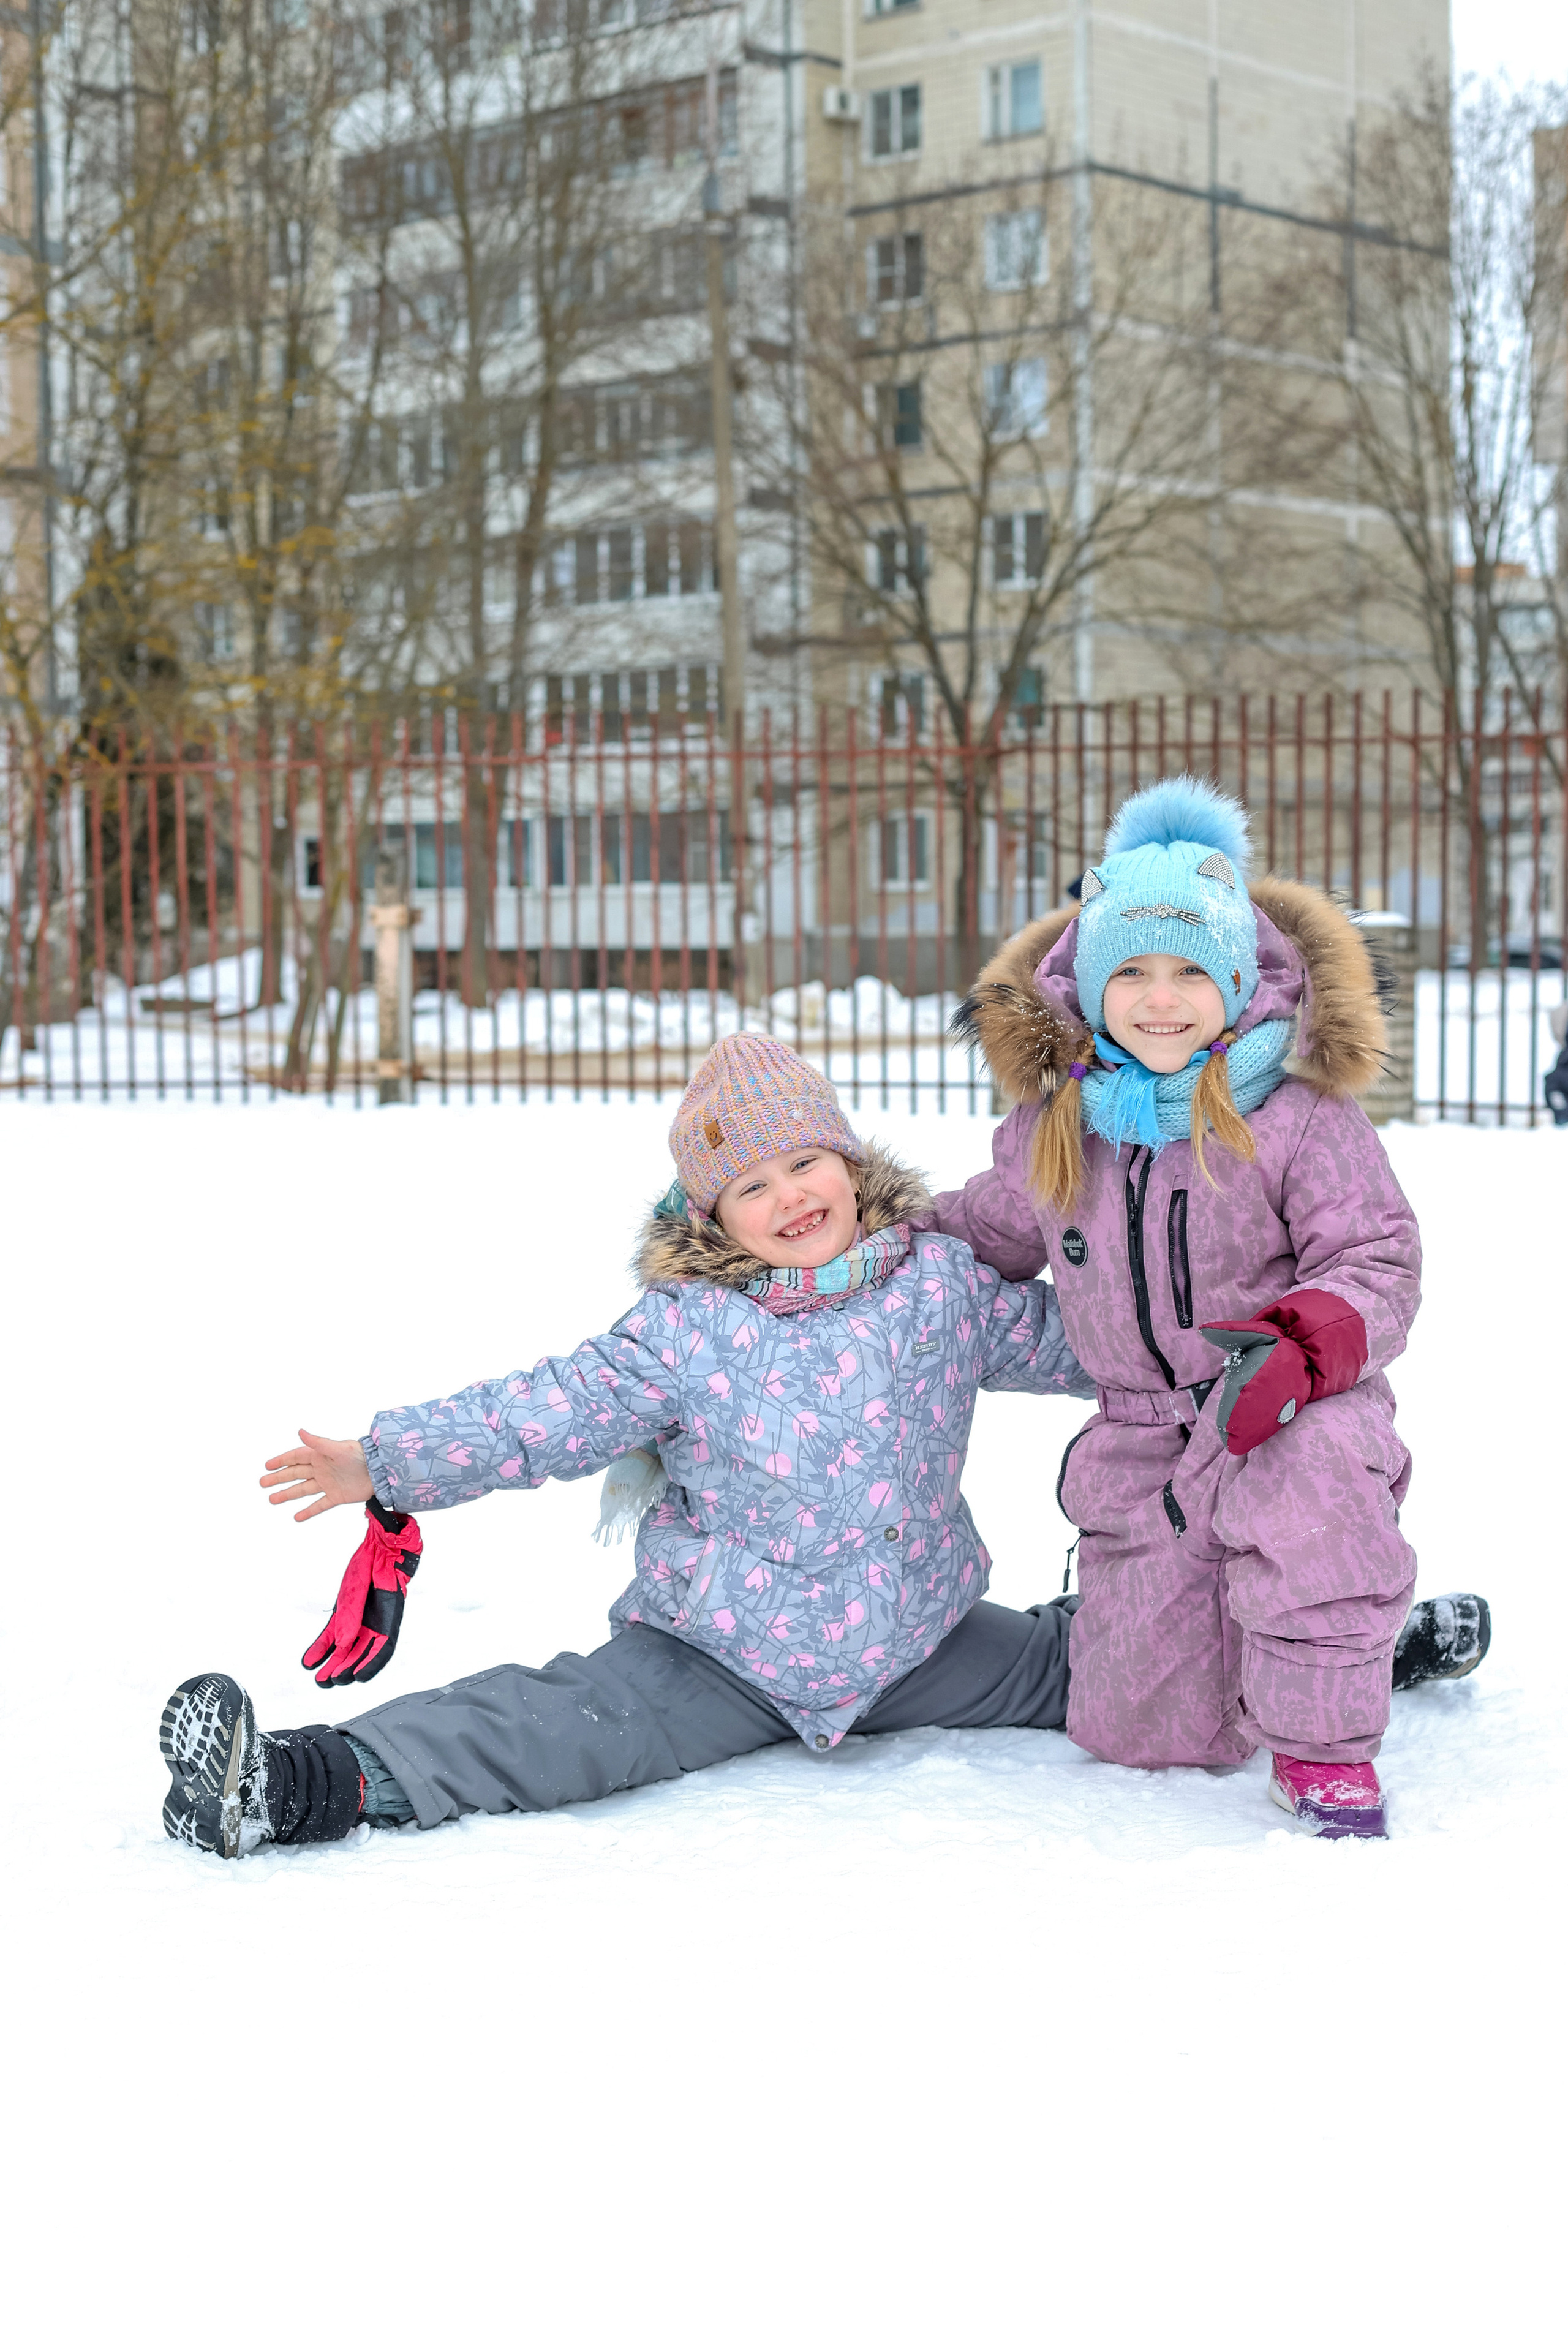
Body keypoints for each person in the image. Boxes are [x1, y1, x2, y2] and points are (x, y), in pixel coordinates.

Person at [159, 1034, 1101, 1859]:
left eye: (805, 1160)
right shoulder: (686, 1328)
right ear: (713, 1215)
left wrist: (1187, 1365)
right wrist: (386, 1458)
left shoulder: (941, 1288)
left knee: (1100, 1660)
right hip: (723, 1652)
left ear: (851, 1166)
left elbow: (1098, 1347)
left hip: (923, 1638)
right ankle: (292, 1780)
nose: (790, 1195)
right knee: (559, 1726)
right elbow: (542, 1412)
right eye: (751, 1185)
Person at [930, 775, 1491, 1838]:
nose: (1162, 997)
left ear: (1237, 978)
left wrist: (1301, 1350)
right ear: (1090, 987)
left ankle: (1327, 1740)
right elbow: (983, 1228)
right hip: (1145, 1447)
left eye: (1191, 969)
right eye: (1131, 970)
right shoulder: (1061, 1127)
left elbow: (1377, 1254)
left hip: (1284, 1404)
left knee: (1315, 1504)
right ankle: (1349, 1647)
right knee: (1144, 1732)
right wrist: (866, 1239)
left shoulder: (1297, 1117)